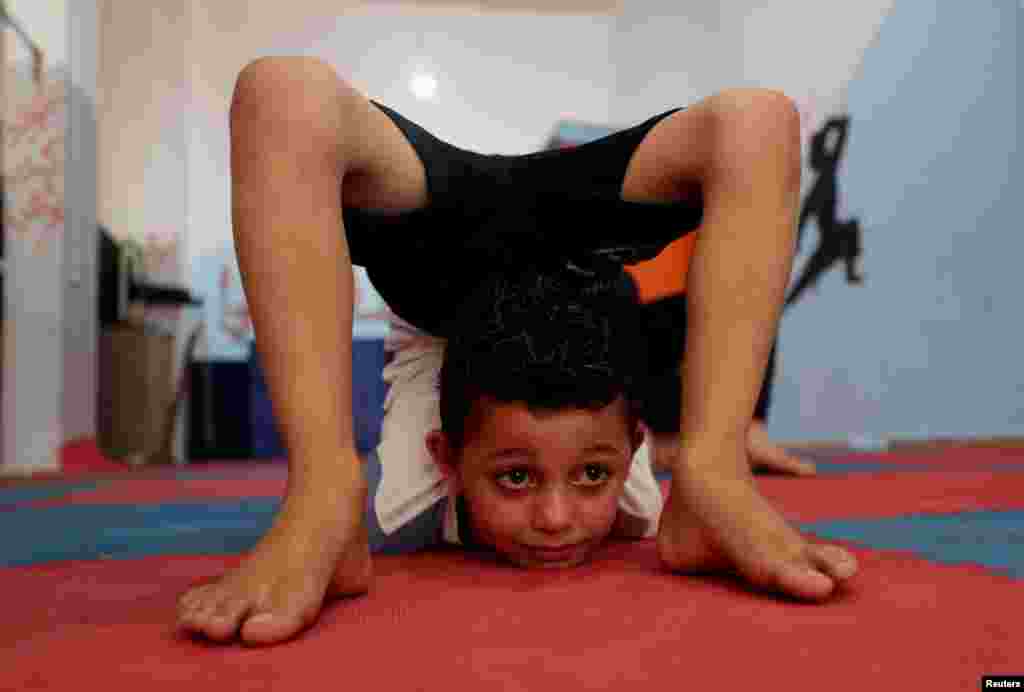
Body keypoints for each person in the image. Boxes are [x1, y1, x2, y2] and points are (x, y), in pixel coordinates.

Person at [176, 56, 858, 646]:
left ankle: (716, 475)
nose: (556, 522)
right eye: (519, 482)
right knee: (280, 90)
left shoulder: (630, 445)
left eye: (590, 478)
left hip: (527, 244)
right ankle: (321, 495)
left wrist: (709, 445)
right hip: (453, 250)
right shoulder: (428, 464)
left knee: (762, 119)